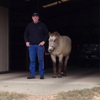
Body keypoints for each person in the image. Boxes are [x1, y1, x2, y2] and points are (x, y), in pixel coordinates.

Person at [24, 12, 49, 79]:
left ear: (38, 17)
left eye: (36, 16)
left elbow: (46, 34)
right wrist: (26, 42)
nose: (35, 17)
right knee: (32, 60)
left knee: (40, 60)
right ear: (32, 18)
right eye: (34, 16)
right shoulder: (29, 25)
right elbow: (25, 34)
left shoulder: (42, 25)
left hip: (39, 46)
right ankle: (32, 75)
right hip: (31, 46)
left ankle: (41, 74)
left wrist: (44, 41)